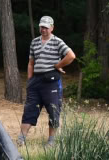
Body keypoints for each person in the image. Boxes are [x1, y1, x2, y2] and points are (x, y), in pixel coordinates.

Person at [20, 15, 74, 147]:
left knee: (53, 110)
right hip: (35, 81)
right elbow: (31, 63)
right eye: (41, 27)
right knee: (30, 109)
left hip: (51, 81)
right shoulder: (35, 42)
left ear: (52, 28)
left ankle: (51, 141)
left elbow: (71, 56)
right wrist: (30, 80)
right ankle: (21, 139)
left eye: (46, 27)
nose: (43, 29)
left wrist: (58, 65)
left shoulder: (57, 41)